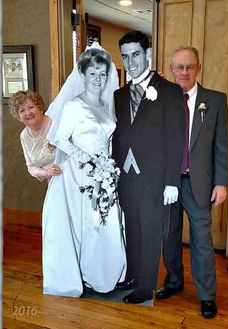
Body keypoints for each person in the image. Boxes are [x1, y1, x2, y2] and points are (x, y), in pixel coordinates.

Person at [42, 44, 126, 297]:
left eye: (103, 74)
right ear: (84, 75)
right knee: (88, 223)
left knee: (107, 221)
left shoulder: (106, 105)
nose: (99, 79)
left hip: (104, 171)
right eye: (93, 74)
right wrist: (88, 160)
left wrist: (105, 165)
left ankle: (107, 274)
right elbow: (60, 139)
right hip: (79, 173)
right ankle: (86, 274)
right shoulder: (73, 106)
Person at [155, 46, 228, 318]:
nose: (184, 72)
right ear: (172, 69)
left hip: (200, 184)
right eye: (179, 67)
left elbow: (222, 146)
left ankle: (207, 295)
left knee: (202, 240)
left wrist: (221, 182)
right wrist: (151, 89)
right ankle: (174, 281)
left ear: (198, 68)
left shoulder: (216, 100)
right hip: (167, 182)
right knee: (169, 235)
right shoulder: (161, 98)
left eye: (189, 66)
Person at [112, 30, 186, 304]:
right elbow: (119, 136)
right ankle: (132, 275)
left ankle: (145, 288)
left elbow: (176, 137)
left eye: (136, 55)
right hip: (125, 177)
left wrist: (171, 182)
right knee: (131, 227)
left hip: (155, 178)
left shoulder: (169, 91)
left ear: (148, 55)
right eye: (125, 56)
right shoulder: (119, 96)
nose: (130, 62)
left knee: (152, 230)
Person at [8, 90, 62, 181]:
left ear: (40, 108)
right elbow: (31, 167)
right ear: (18, 117)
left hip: (71, 176)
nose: (28, 113)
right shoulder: (24, 136)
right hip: (52, 182)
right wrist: (47, 173)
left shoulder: (56, 123)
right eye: (22, 110)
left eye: (31, 107)